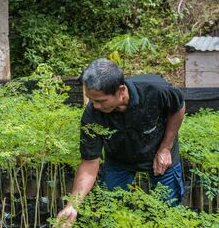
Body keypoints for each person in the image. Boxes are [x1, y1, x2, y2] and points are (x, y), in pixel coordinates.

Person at [57, 58, 186, 226]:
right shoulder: (92, 116)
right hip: (119, 160)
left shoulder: (156, 90)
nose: (95, 106)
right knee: (108, 213)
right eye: (91, 100)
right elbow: (89, 164)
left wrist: (166, 147)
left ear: (121, 90)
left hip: (160, 153)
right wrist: (72, 205)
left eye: (101, 101)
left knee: (168, 214)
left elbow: (178, 108)